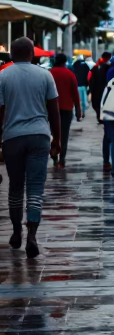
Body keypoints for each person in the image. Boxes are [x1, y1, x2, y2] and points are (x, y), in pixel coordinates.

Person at [0, 37, 61, 258]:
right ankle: (32, 236)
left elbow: (0, 112)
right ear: (32, 54)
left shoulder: (3, 76)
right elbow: (54, 110)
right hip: (39, 137)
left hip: (12, 138)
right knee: (35, 188)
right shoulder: (45, 75)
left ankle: (17, 231)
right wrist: (57, 140)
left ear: (11, 55)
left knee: (15, 187)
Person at [49, 52, 82, 168]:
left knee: (53, 134)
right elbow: (75, 94)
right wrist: (78, 111)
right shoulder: (70, 74)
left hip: (51, 110)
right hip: (67, 110)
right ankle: (61, 159)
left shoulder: (49, 73)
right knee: (64, 135)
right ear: (64, 62)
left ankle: (54, 156)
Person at [89, 51, 111, 125]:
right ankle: (101, 117)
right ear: (108, 58)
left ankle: (99, 117)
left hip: (95, 89)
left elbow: (90, 78)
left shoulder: (95, 67)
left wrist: (91, 89)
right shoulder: (108, 67)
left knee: (96, 104)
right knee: (102, 103)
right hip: (104, 89)